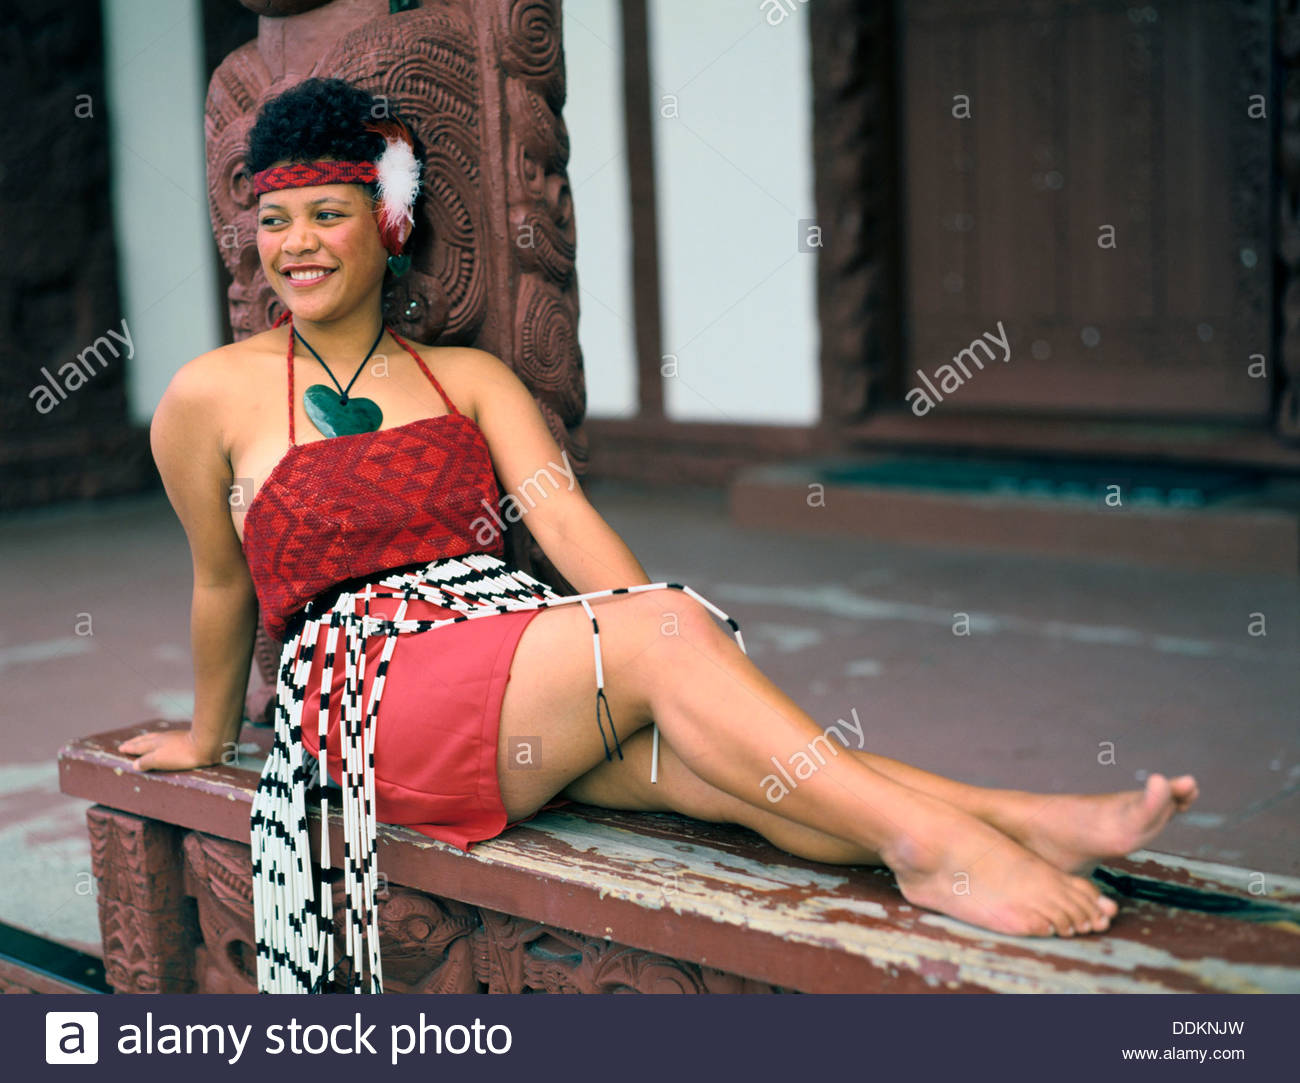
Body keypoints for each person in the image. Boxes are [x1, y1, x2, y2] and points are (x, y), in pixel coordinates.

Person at [121, 78, 1200, 994]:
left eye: (327, 214)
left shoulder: (469, 379)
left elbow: (563, 519)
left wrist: (644, 640)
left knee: (739, 769)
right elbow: (221, 588)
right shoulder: (209, 397)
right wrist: (209, 740)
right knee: (668, 642)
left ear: (386, 222)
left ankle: (1022, 819)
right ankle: (934, 849)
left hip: (500, 668)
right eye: (276, 222)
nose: (296, 246)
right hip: (363, 701)